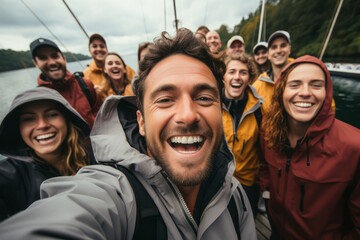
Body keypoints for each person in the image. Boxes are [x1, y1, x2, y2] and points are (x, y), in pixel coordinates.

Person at [0, 28, 257, 240]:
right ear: (141, 122)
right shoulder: (114, 193)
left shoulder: (235, 196)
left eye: (203, 97)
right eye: (166, 100)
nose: (188, 115)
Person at [259, 55, 360, 239]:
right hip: (276, 230)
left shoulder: (354, 147)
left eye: (316, 85)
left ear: (327, 92)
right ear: (281, 90)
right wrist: (266, 190)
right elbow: (265, 165)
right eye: (295, 84)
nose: (305, 92)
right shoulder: (268, 129)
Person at [0, 87, 92, 222]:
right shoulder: (7, 175)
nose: (42, 125)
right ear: (18, 129)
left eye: (52, 114)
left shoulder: (97, 158)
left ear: (67, 120)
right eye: (29, 119)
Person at [222, 53, 264, 217]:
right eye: (231, 72)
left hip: (248, 183)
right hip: (219, 182)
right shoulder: (211, 105)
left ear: (250, 78)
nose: (237, 77)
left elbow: (265, 150)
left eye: (243, 72)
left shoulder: (259, 109)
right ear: (223, 77)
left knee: (248, 223)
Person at [30, 37, 102, 129]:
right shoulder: (37, 98)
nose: (51, 62)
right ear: (36, 63)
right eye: (43, 58)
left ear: (64, 59)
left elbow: (100, 114)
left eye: (55, 56)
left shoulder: (85, 84)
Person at [252, 30, 293, 112]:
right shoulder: (258, 86)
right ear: (269, 54)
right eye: (274, 47)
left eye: (283, 45)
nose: (278, 51)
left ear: (289, 49)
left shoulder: (304, 76)